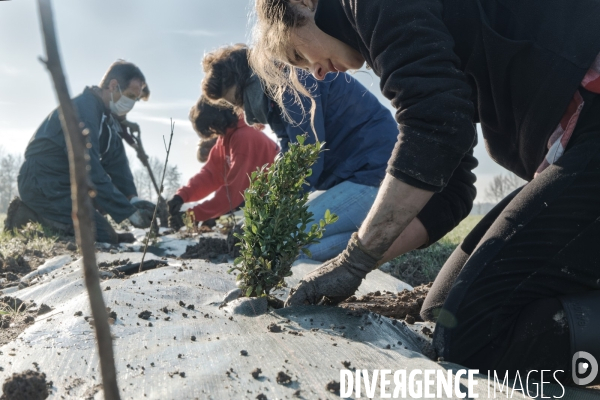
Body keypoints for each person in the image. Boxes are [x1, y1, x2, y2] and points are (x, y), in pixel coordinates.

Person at [250, 0, 600, 384]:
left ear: (304, 3)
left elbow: (434, 127)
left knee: (474, 338)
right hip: (578, 147)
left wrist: (355, 259)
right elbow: (452, 189)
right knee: (442, 310)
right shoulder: (395, 35)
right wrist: (354, 267)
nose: (315, 72)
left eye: (300, 54)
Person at [202, 44, 401, 261]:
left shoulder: (292, 84)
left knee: (279, 238)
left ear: (250, 79)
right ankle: (375, 241)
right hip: (355, 175)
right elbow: (289, 153)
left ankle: (378, 240)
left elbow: (305, 161)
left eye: (240, 98)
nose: (246, 111)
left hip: (375, 176)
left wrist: (261, 219)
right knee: (294, 250)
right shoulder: (274, 96)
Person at [14, 60, 156, 244]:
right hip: (42, 182)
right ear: (113, 86)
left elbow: (117, 163)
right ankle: (28, 216)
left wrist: (133, 200)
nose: (131, 104)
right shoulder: (84, 111)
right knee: (103, 235)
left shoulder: (106, 120)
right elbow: (89, 168)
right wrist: (127, 212)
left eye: (135, 99)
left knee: (108, 229)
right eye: (130, 95)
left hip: (64, 184)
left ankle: (83, 227)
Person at [166, 98, 279, 230]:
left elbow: (232, 194)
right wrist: (181, 196)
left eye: (210, 128)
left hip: (277, 203)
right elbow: (210, 176)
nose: (211, 132)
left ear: (216, 120)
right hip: (259, 203)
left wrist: (190, 216)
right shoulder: (225, 139)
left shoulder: (244, 138)